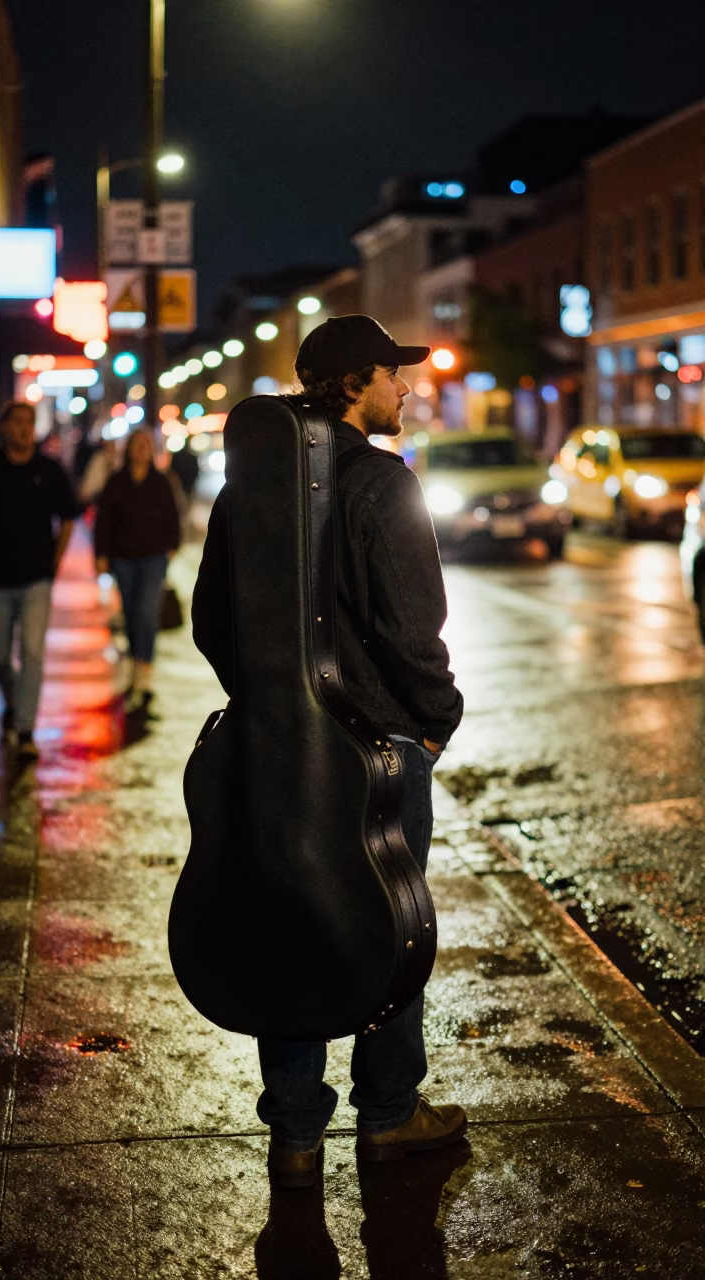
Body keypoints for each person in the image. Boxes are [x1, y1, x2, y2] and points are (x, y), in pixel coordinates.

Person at [192, 314, 465, 1188]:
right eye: (393, 374)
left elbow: (210, 619)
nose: (406, 388)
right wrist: (432, 723)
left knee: (290, 917)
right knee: (392, 924)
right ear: (353, 383)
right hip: (382, 745)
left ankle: (297, 1132)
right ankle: (388, 1113)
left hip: (278, 746)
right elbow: (414, 631)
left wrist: (272, 697)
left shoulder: (250, 488)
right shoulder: (386, 485)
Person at [0, 400, 78, 759]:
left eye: (29, 422)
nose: (24, 429)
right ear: (5, 426)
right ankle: (15, 705)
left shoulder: (49, 470)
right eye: (17, 422)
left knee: (33, 653)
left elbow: (69, 517)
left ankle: (25, 730)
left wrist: (55, 561)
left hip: (37, 577)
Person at [95, 428, 180, 710]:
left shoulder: (160, 481)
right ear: (128, 449)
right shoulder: (117, 481)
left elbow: (173, 514)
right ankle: (133, 665)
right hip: (123, 557)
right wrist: (101, 553)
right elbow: (103, 518)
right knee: (131, 614)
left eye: (145, 445)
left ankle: (144, 672)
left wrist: (172, 545)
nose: (140, 450)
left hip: (153, 556)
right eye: (136, 444)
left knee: (146, 612)